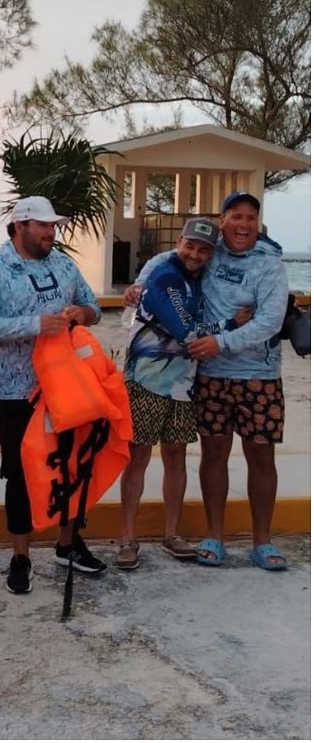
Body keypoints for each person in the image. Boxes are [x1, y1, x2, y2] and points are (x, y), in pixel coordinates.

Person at [128, 192, 289, 569]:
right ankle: (214, 534)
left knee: (261, 457)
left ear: (257, 223)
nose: (243, 225)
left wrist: (221, 342)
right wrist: (138, 283)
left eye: (251, 217)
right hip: (212, 376)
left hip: (259, 376)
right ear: (223, 221)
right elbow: (165, 259)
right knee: (214, 455)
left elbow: (270, 321)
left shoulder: (270, 263)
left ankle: (262, 541)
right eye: (236, 217)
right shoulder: (211, 251)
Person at [0, 196, 105, 594]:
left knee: (71, 465)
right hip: (16, 391)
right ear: (19, 226)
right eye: (42, 225)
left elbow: (93, 306)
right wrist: (34, 325)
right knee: (21, 474)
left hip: (66, 387)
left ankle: (67, 543)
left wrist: (81, 314)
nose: (50, 232)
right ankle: (21, 555)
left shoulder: (61, 262)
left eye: (52, 225)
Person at [117, 217, 253, 570]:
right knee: (138, 459)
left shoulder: (199, 280)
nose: (195, 253)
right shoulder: (165, 277)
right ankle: (127, 538)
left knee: (176, 457)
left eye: (203, 249)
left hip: (183, 384)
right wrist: (231, 325)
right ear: (179, 242)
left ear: (211, 253)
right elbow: (187, 332)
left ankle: (171, 534)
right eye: (190, 245)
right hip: (145, 381)